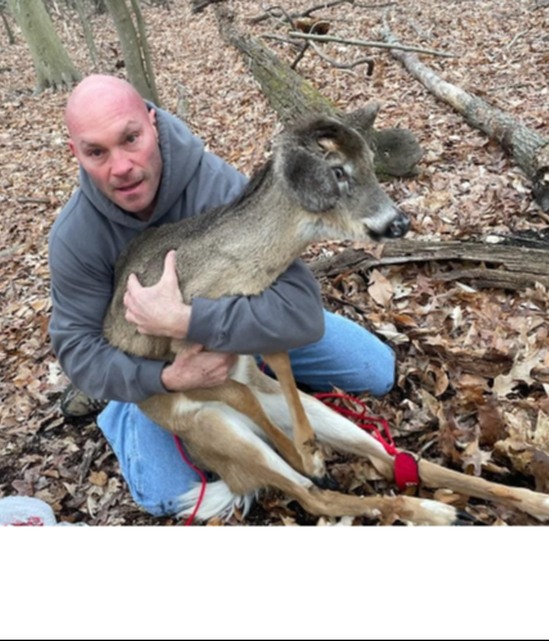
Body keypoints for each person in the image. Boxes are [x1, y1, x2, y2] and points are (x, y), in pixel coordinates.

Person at [48, 75, 396, 517]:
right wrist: (165, 380)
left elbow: (300, 310)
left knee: (377, 370)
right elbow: (78, 349)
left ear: (152, 124)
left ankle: (256, 382)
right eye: (97, 151)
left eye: (130, 139)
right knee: (162, 495)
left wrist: (189, 322)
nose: (121, 167)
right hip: (154, 370)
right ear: (75, 153)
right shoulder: (76, 236)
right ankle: (117, 414)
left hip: (240, 336)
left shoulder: (214, 185)